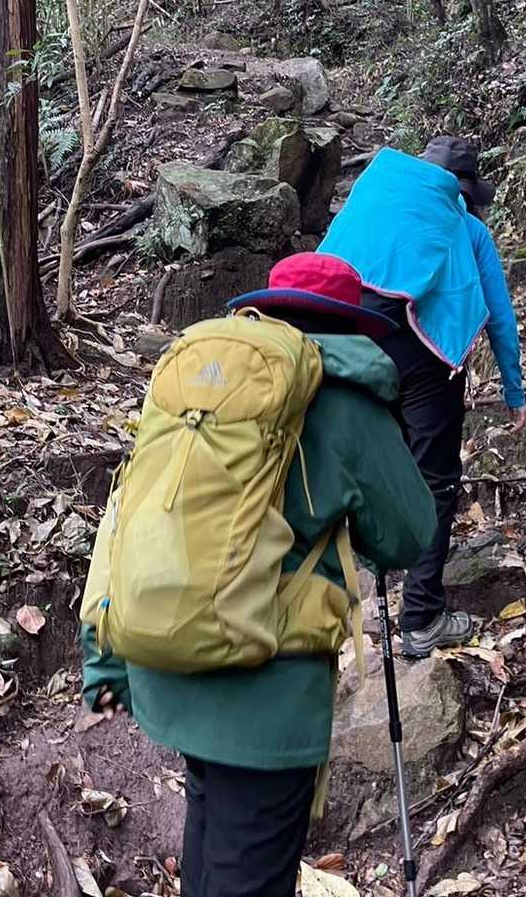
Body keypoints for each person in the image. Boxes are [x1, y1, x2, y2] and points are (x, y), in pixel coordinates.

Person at [80, 253, 437, 897]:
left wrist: (101, 661)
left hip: (166, 662)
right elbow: (409, 536)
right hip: (265, 700)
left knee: (210, 840)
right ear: (349, 324)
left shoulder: (200, 387)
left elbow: (128, 513)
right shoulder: (347, 403)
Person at [319, 136, 526, 658]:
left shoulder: (374, 206)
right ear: (463, 189)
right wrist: (513, 388)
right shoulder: (468, 229)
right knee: (434, 477)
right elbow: (499, 314)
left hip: (349, 341)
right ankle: (421, 618)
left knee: (378, 463)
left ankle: (354, 594)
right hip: (423, 356)